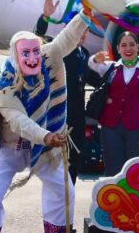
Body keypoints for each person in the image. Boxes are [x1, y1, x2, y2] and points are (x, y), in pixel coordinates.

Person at [0, 0, 88, 233]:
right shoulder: (4, 84)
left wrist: (87, 11)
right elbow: (18, 121)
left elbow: (67, 38)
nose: (32, 57)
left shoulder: (48, 58)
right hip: (12, 148)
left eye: (36, 51)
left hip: (45, 149)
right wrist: (47, 136)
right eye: (25, 53)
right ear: (15, 56)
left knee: (64, 189)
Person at [35, 14, 100, 183]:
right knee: (56, 164)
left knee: (75, 160)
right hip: (59, 116)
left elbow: (92, 78)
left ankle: (69, 195)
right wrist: (44, 18)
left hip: (77, 119)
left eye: (85, 31)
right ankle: (57, 196)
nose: (82, 34)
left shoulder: (84, 54)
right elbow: (38, 40)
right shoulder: (58, 50)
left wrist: (118, 72)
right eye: (79, 29)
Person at [88, 32, 139, 176]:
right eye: (124, 45)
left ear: (137, 47)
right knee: (112, 169)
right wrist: (95, 58)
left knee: (133, 169)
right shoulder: (111, 67)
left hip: (135, 127)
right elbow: (91, 64)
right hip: (110, 127)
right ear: (118, 49)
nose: (128, 48)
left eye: (132, 45)